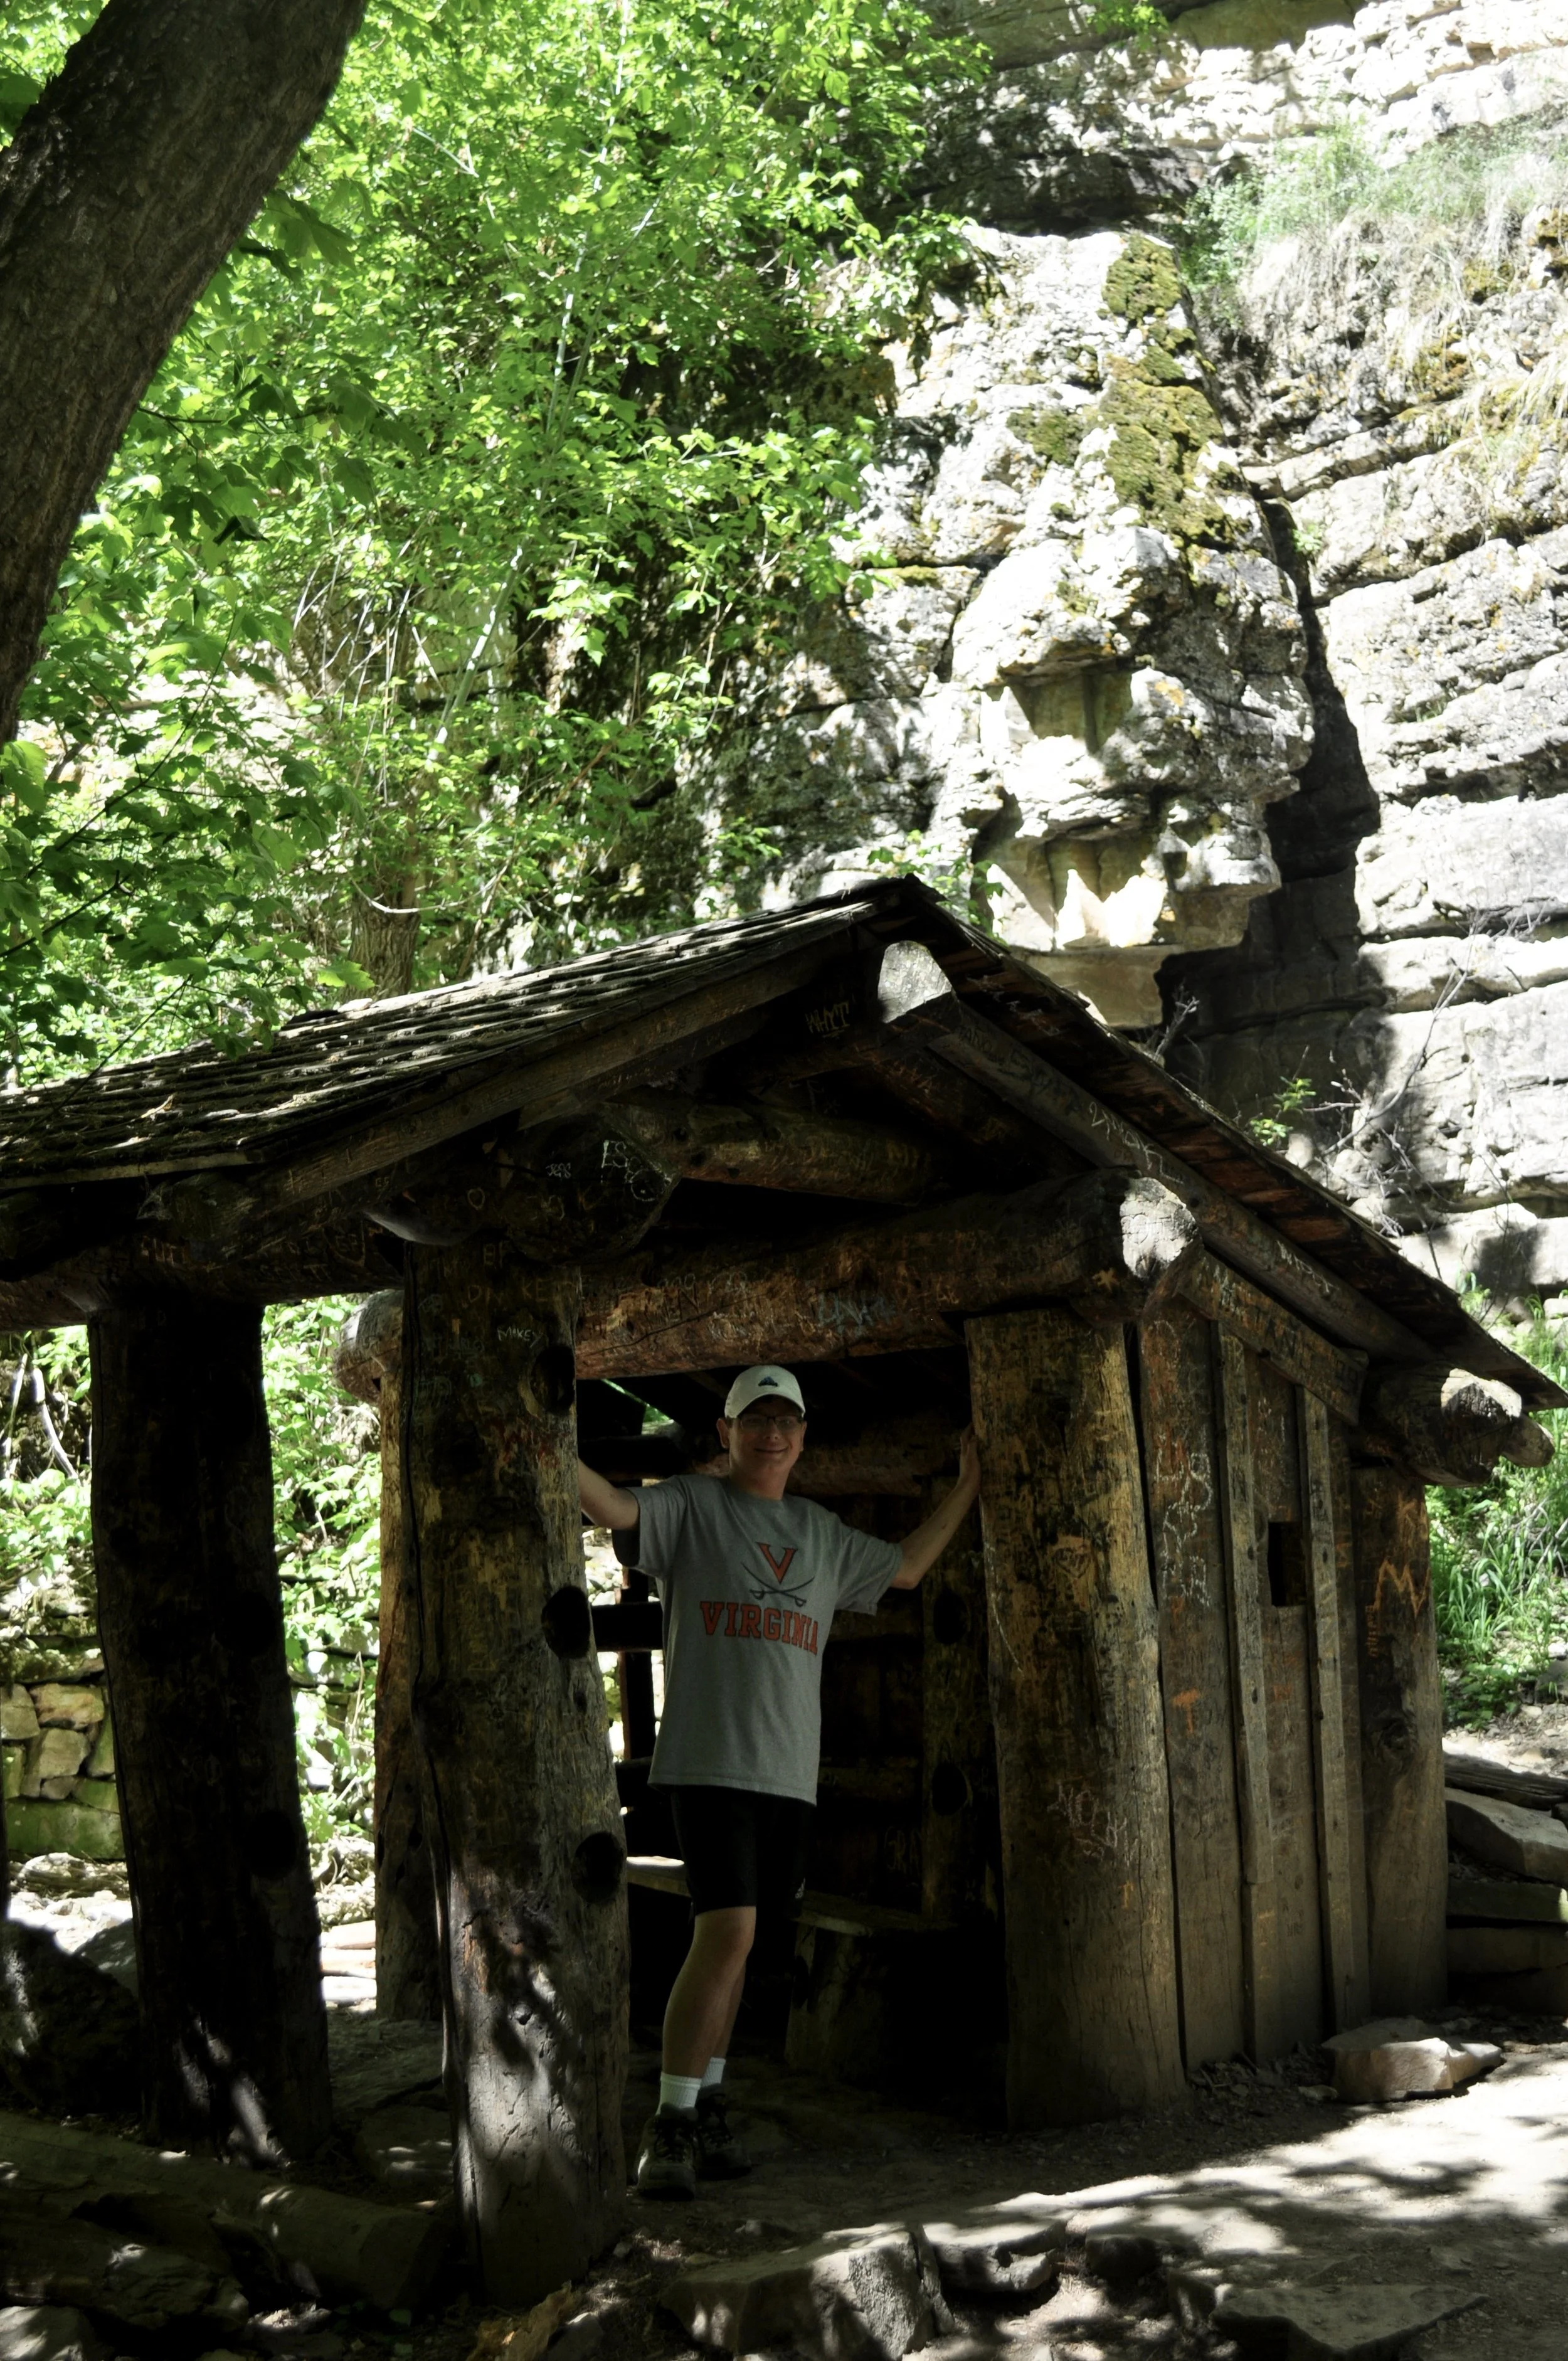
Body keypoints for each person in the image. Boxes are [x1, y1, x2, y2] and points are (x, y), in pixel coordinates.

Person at [577, 1362, 982, 2199]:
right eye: (754, 1420)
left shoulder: (822, 1534)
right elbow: (615, 1509)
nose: (773, 1434)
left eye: (786, 1421)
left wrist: (971, 1485)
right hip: (707, 1762)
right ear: (727, 1435)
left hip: (788, 1775)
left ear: (803, 1437)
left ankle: (709, 2106)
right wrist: (549, 1448)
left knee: (748, 1945)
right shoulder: (692, 1507)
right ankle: (671, 2125)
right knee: (724, 1933)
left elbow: (905, 1569)